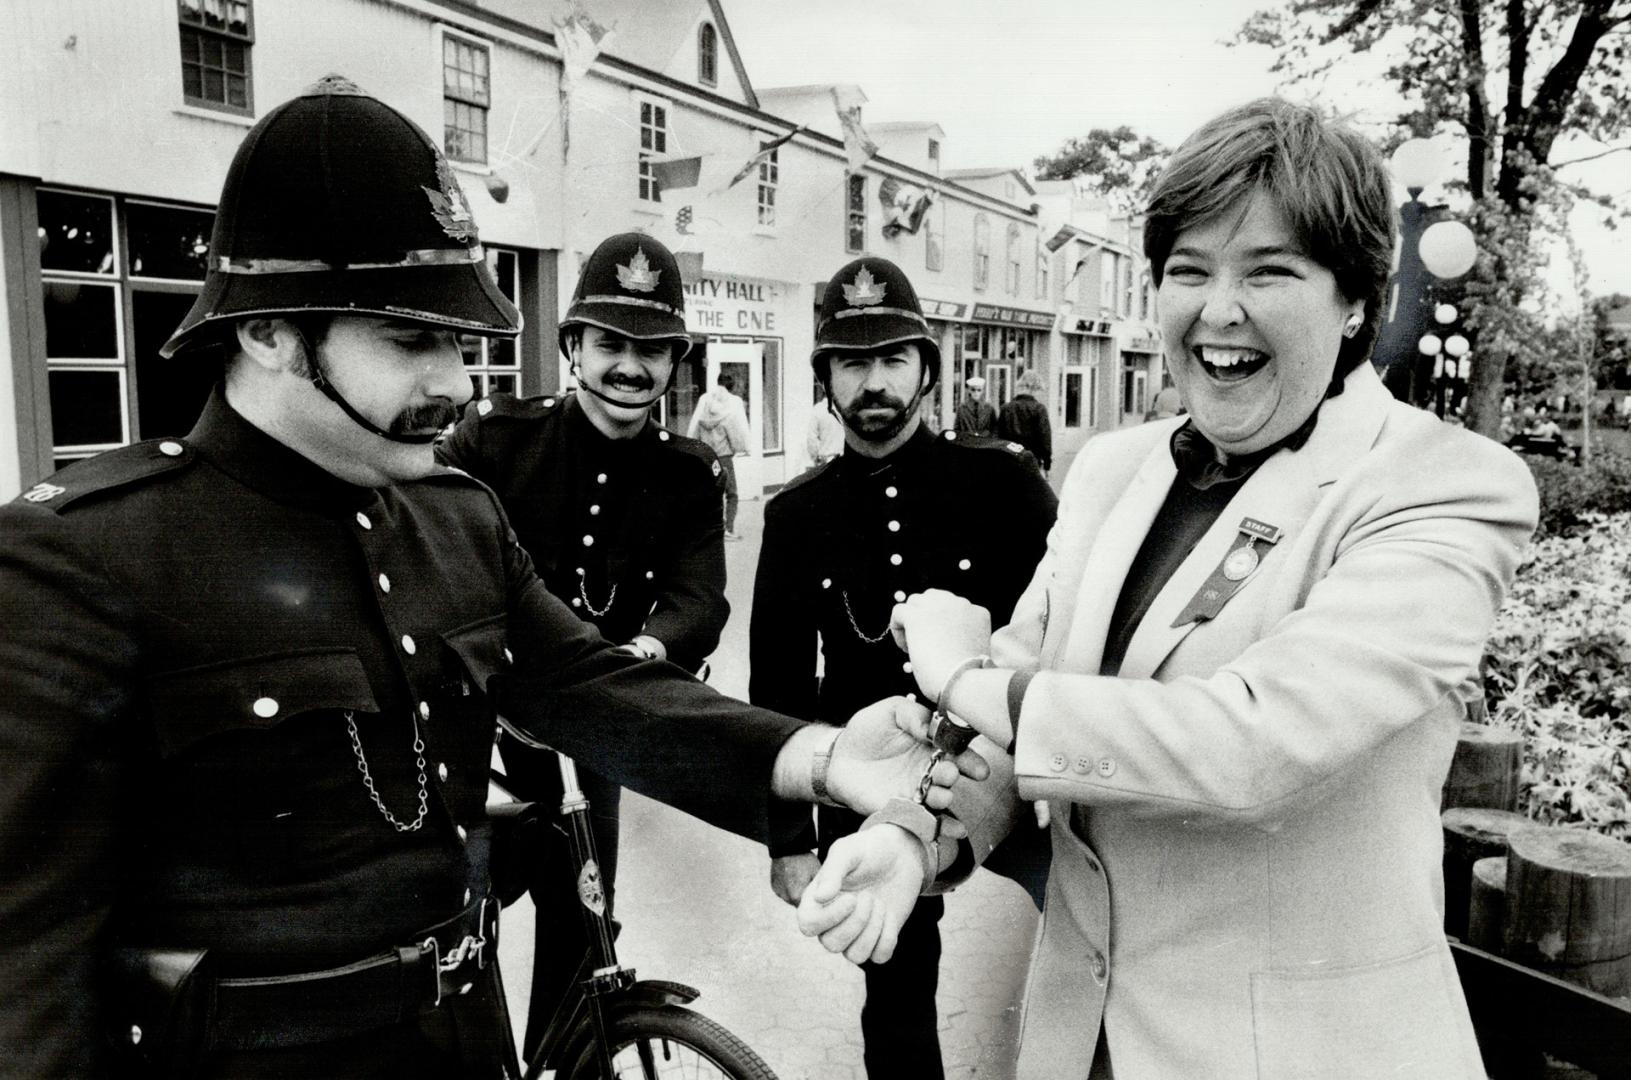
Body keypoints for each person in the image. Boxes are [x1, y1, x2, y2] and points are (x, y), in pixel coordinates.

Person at [0, 77, 978, 1080]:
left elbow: (596, 690)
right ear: (267, 331)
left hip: (465, 1042)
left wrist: (823, 761)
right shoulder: (85, 561)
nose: (456, 384)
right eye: (410, 340)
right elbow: (26, 970)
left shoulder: (455, 520)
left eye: (460, 344)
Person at [806, 98, 1539, 1080]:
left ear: (1356, 299)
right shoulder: (1113, 472)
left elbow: (1246, 741)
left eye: (1268, 271)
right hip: (1082, 1045)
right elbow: (1013, 732)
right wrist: (915, 839)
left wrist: (959, 679)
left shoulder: (1441, 486)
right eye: (1187, 271)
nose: (1216, 309)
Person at [751, 256, 1059, 1079]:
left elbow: (1067, 628)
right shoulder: (796, 514)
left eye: (892, 358)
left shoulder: (1001, 482)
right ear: (825, 381)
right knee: (893, 988)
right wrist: (787, 839)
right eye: (852, 363)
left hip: (1011, 764)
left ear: (926, 369)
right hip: (872, 779)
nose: (873, 382)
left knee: (1072, 940)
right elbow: (776, 685)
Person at [436, 232, 726, 1059]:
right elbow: (430, 546)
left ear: (675, 364)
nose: (629, 367)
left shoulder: (688, 471)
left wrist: (637, 656)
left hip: (593, 713)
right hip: (477, 714)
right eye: (609, 344)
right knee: (455, 903)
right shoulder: (494, 439)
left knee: (584, 905)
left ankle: (564, 1062)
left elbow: (699, 597)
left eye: (651, 350)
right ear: (572, 348)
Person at [689, 372, 752, 538]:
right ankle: (728, 529)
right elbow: (737, 438)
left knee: (709, 493)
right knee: (731, 494)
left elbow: (693, 430)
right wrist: (743, 448)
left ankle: (707, 527)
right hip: (723, 458)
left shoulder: (704, 406)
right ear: (731, 387)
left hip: (705, 456)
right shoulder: (729, 412)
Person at [995, 369, 1053, 474]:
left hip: (1009, 460)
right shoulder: (1039, 409)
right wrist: (1047, 464)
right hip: (1031, 461)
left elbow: (998, 437)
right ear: (1034, 389)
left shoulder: (1005, 408)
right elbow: (1045, 439)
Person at [804, 383, 846, 470]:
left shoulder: (818, 410)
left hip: (826, 461)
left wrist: (815, 458)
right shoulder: (844, 408)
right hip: (844, 459)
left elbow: (811, 439)